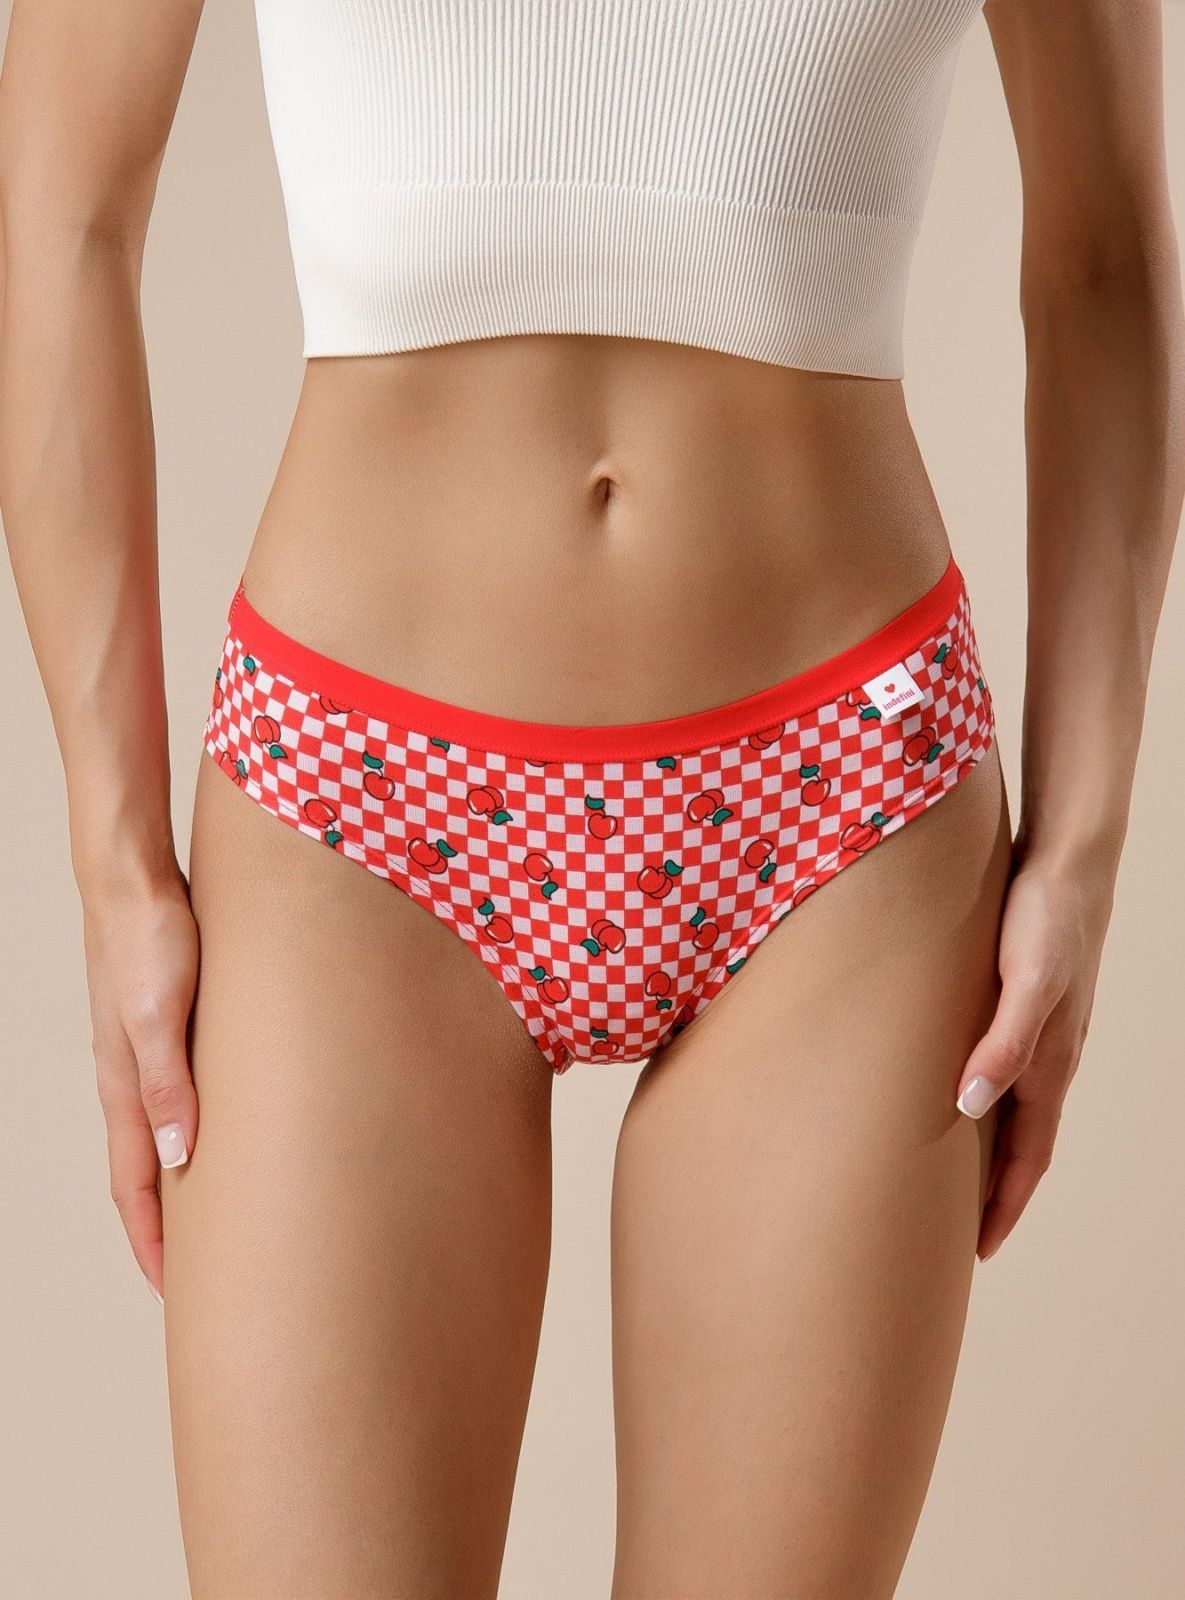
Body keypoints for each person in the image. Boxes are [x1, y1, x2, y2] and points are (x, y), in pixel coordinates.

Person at [1, 1, 1181, 1595]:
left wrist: (1082, 850)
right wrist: (116, 866)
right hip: (355, 812)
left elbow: (1105, 257)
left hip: (838, 812)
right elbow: (58, 213)